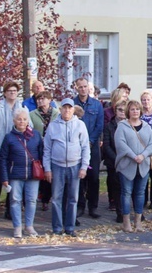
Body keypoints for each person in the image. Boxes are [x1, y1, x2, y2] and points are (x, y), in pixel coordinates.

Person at [43, 98, 90, 236]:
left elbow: (86, 147)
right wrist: (47, 168)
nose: (67, 110)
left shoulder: (80, 125)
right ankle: (57, 228)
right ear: (60, 109)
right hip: (57, 166)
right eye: (64, 107)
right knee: (56, 198)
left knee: (73, 198)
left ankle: (70, 227)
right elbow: (47, 149)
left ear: (73, 110)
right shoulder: (53, 126)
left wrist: (84, 167)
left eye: (69, 108)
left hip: (75, 166)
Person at [0, 108, 43, 238]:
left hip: (33, 174)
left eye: (24, 119)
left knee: (31, 201)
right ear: (14, 121)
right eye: (19, 119)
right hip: (15, 175)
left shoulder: (35, 135)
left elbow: (41, 154)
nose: (22, 122)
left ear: (28, 120)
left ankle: (29, 226)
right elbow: (3, 158)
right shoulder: (9, 137)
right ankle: (17, 227)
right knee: (15, 200)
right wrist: (4, 177)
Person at [114, 100, 152, 233]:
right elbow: (120, 144)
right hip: (127, 165)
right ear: (128, 111)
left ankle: (138, 222)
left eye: (137, 109)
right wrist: (133, 156)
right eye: (132, 109)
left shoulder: (147, 127)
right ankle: (126, 223)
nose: (135, 111)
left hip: (143, 166)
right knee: (126, 193)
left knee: (140, 193)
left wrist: (143, 156)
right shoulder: (122, 126)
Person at [0, 80, 22, 222]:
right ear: (5, 93)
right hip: (0, 148)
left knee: (13, 181)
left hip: (16, 151)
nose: (12, 93)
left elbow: (27, 126)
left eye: (14, 91)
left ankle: (9, 209)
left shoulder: (22, 107)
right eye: (9, 91)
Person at [73, 77, 104, 219]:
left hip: (93, 147)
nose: (83, 89)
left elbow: (99, 126)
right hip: (76, 147)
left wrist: (90, 141)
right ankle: (80, 206)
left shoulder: (97, 105)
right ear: (76, 88)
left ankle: (93, 207)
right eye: (80, 87)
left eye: (85, 86)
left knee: (94, 178)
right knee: (79, 177)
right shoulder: (72, 104)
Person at [30, 90, 58, 212]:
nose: (40, 100)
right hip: (38, 146)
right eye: (38, 98)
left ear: (49, 100)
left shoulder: (56, 113)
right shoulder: (32, 114)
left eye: (43, 98)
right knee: (40, 171)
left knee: (51, 172)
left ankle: (47, 198)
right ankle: (41, 197)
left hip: (54, 146)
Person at [103, 101, 127, 223]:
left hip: (129, 161)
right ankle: (120, 212)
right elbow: (106, 145)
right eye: (119, 110)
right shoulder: (109, 126)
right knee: (117, 188)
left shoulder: (131, 124)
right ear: (115, 111)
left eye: (124, 110)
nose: (122, 112)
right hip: (114, 161)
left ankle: (131, 211)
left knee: (128, 188)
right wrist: (117, 158)